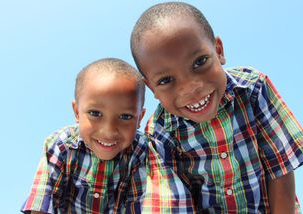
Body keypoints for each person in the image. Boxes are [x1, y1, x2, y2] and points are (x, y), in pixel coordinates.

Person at [130, 2, 303, 213]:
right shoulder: (159, 132)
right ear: (151, 88)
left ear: (218, 50)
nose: (190, 88)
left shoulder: (253, 89)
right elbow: (171, 202)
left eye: (199, 62)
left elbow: (280, 168)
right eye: (166, 80)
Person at [21, 58, 197, 214]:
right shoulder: (61, 146)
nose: (109, 130)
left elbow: (164, 202)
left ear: (139, 119)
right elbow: (41, 203)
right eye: (95, 113)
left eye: (125, 117)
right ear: (76, 112)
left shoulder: (145, 153)